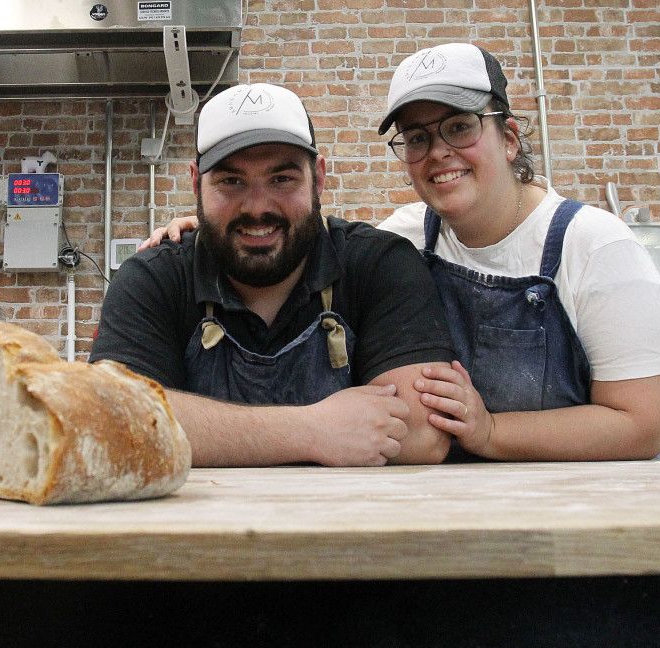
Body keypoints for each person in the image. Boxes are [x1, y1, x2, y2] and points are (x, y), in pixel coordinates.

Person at [139, 44, 660, 462]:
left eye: (459, 127)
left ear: (510, 137)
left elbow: (641, 425)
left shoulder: (593, 247)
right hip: (455, 509)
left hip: (582, 511)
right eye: (417, 137)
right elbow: (303, 232)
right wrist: (214, 230)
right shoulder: (407, 236)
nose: (438, 151)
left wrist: (493, 432)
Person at [90, 82, 457, 467]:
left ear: (318, 178)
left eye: (282, 179)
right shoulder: (154, 279)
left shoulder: (379, 264)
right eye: (231, 181)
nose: (258, 207)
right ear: (197, 184)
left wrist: (185, 424)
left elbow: (421, 434)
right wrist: (311, 431)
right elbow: (112, 421)